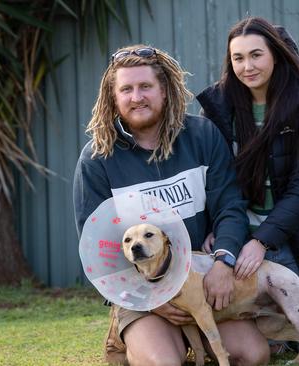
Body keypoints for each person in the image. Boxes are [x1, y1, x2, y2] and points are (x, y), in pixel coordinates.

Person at [73, 44, 270, 365]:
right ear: (113, 97)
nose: (137, 97)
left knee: (252, 354)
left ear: (164, 90)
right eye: (126, 89)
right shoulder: (97, 159)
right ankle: (131, 340)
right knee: (164, 362)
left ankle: (195, 342)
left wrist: (223, 264)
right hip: (143, 290)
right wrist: (150, 300)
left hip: (203, 279)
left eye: (145, 86)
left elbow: (230, 207)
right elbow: (98, 248)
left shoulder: (202, 136)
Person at [196, 17, 299, 351]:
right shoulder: (218, 108)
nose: (247, 66)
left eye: (256, 55)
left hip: (295, 229)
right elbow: (209, 176)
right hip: (240, 224)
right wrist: (219, 229)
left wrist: (262, 241)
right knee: (248, 342)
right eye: (238, 58)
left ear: (276, 55)